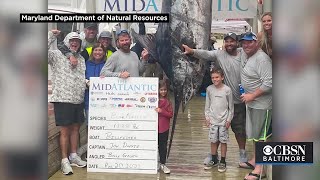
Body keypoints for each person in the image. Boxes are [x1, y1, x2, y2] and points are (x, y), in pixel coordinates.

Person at [182, 32, 248, 165]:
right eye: (227, 41)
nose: (229, 44)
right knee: (217, 130)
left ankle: (242, 152)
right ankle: (213, 155)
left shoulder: (243, 52)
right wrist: (192, 51)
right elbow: (206, 54)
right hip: (221, 102)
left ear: (237, 42)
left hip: (239, 101)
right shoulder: (219, 54)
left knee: (240, 130)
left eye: (232, 41)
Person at [48, 30, 87, 175]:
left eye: (77, 41)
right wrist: (51, 36)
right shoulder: (56, 55)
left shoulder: (81, 59)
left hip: (78, 99)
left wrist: (88, 83)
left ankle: (74, 155)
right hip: (63, 99)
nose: (74, 43)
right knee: (64, 131)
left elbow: (81, 77)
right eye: (72, 40)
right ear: (66, 42)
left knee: (76, 129)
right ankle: (64, 160)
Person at [238, 32, 272, 180]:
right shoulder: (247, 55)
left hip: (262, 104)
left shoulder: (262, 59)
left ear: (256, 42)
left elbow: (270, 83)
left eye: (249, 42)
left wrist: (252, 95)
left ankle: (260, 169)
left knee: (260, 137)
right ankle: (254, 160)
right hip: (252, 103)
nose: (246, 45)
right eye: (243, 42)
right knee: (254, 134)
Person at [76, 43, 108, 158]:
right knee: (90, 128)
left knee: (102, 127)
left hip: (104, 103)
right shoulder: (86, 64)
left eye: (100, 50)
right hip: (89, 101)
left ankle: (100, 152)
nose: (98, 52)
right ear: (92, 52)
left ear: (104, 53)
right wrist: (86, 82)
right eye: (96, 50)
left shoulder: (107, 65)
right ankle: (91, 153)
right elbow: (80, 78)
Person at [203, 67, 234, 173]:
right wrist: (207, 117)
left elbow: (231, 107)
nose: (215, 79)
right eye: (213, 77)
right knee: (213, 140)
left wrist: (229, 119)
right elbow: (207, 105)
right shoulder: (209, 89)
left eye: (217, 77)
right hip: (213, 120)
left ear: (222, 77)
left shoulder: (227, 90)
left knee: (223, 141)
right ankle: (214, 159)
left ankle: (223, 161)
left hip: (224, 120)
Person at [155, 80, 173, 174]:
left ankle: (163, 163)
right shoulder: (154, 101)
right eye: (161, 90)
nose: (163, 92)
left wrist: (162, 111)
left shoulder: (168, 102)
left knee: (163, 146)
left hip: (164, 128)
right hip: (154, 128)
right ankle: (155, 163)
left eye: (165, 90)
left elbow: (170, 114)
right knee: (154, 146)